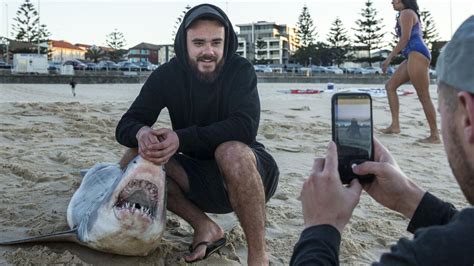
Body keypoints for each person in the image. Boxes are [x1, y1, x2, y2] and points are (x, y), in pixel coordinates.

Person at [291, 16, 474, 265]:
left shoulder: (425, 256)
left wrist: (320, 227)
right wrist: (409, 198)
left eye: (442, 112)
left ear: (468, 117)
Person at [115, 4, 279, 265]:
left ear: (226, 43)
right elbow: (126, 125)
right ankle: (205, 226)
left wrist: (181, 138)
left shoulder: (240, 71)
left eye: (216, 42)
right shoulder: (167, 75)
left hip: (249, 172)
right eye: (199, 43)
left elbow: (245, 127)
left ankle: (258, 256)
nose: (208, 51)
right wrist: (142, 131)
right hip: (196, 177)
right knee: (135, 155)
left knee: (230, 151)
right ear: (184, 44)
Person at [380, 0, 440, 143]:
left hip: (417, 53)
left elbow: (405, 39)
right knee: (390, 86)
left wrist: (389, 58)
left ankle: (435, 135)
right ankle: (395, 126)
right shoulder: (406, 13)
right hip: (412, 54)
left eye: (395, 0)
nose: (392, 2)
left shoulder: (406, 13)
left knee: (423, 96)